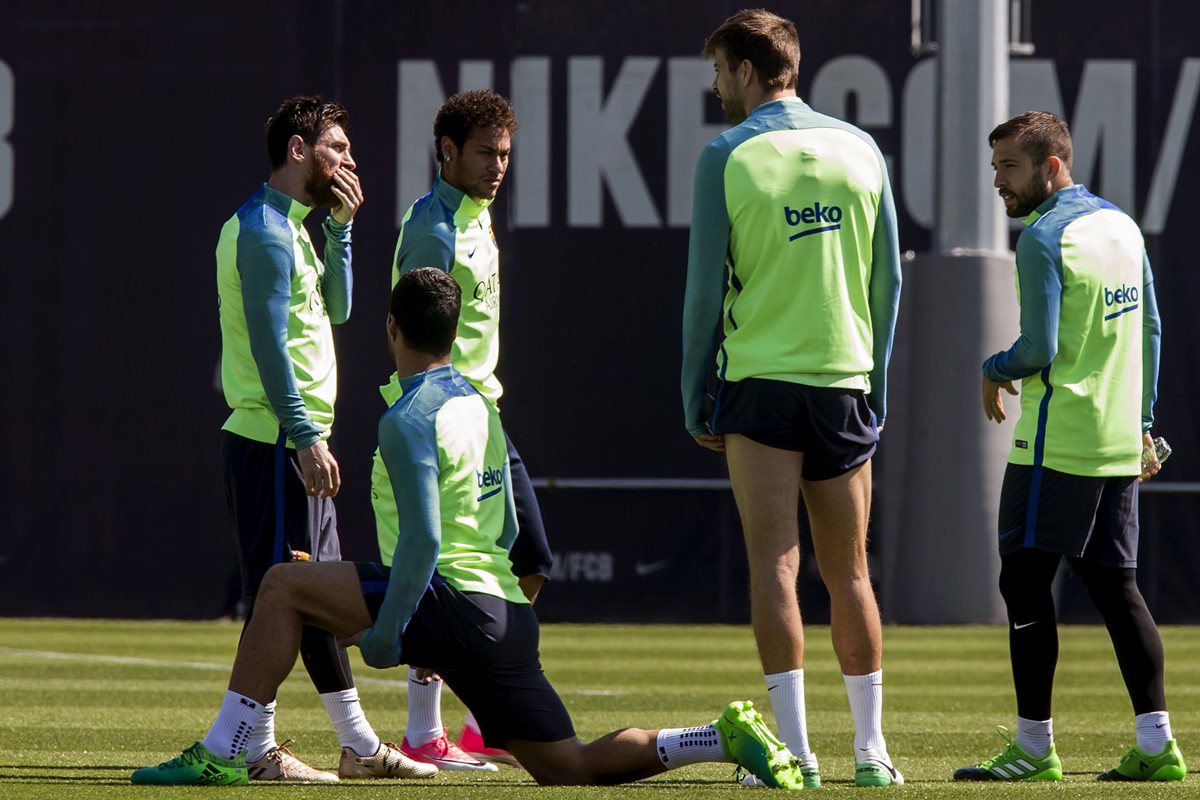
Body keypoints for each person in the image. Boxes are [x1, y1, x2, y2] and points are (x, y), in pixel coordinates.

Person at [133, 268, 806, 790]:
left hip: (444, 599)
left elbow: (424, 540)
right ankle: (716, 737)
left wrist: (394, 633)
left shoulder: (405, 418)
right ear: (454, 334)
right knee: (567, 767)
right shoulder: (478, 402)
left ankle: (226, 752)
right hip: (502, 611)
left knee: (282, 584)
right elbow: (508, 522)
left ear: (392, 328)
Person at [680, 9, 903, 788]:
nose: (716, 87)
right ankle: (871, 755)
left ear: (746, 70)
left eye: (718, 72)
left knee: (775, 566)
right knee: (851, 574)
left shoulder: (726, 156)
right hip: (844, 381)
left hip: (760, 385)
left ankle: (797, 756)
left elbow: (703, 295)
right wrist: (872, 379)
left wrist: (693, 393)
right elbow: (890, 282)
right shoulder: (862, 148)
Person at [954, 111, 1186, 783]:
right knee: (1117, 589)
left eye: (1009, 167)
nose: (998, 181)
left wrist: (992, 368)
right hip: (1116, 441)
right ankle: (1156, 744)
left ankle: (1033, 748)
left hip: (1057, 443)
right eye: (995, 165)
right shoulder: (1120, 224)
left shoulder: (1042, 237)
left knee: (1023, 581)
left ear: (1052, 166)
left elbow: (1038, 351)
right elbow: (1152, 327)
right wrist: (1142, 423)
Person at [214, 95, 423, 781]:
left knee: (303, 596)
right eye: (336, 146)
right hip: (277, 442)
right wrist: (304, 436)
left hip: (290, 440)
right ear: (298, 150)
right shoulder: (265, 232)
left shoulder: (294, 228)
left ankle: (341, 748)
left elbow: (339, 307)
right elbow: (272, 350)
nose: (349, 159)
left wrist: (342, 231)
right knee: (294, 596)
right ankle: (285, 750)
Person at [369, 88, 553, 771]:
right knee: (495, 563)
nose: (499, 165)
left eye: (505, 154)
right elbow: (414, 337)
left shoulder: (476, 215)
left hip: (480, 415)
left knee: (524, 561)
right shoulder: (433, 230)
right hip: (450, 421)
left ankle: (467, 725)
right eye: (485, 153)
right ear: (447, 152)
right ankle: (434, 731)